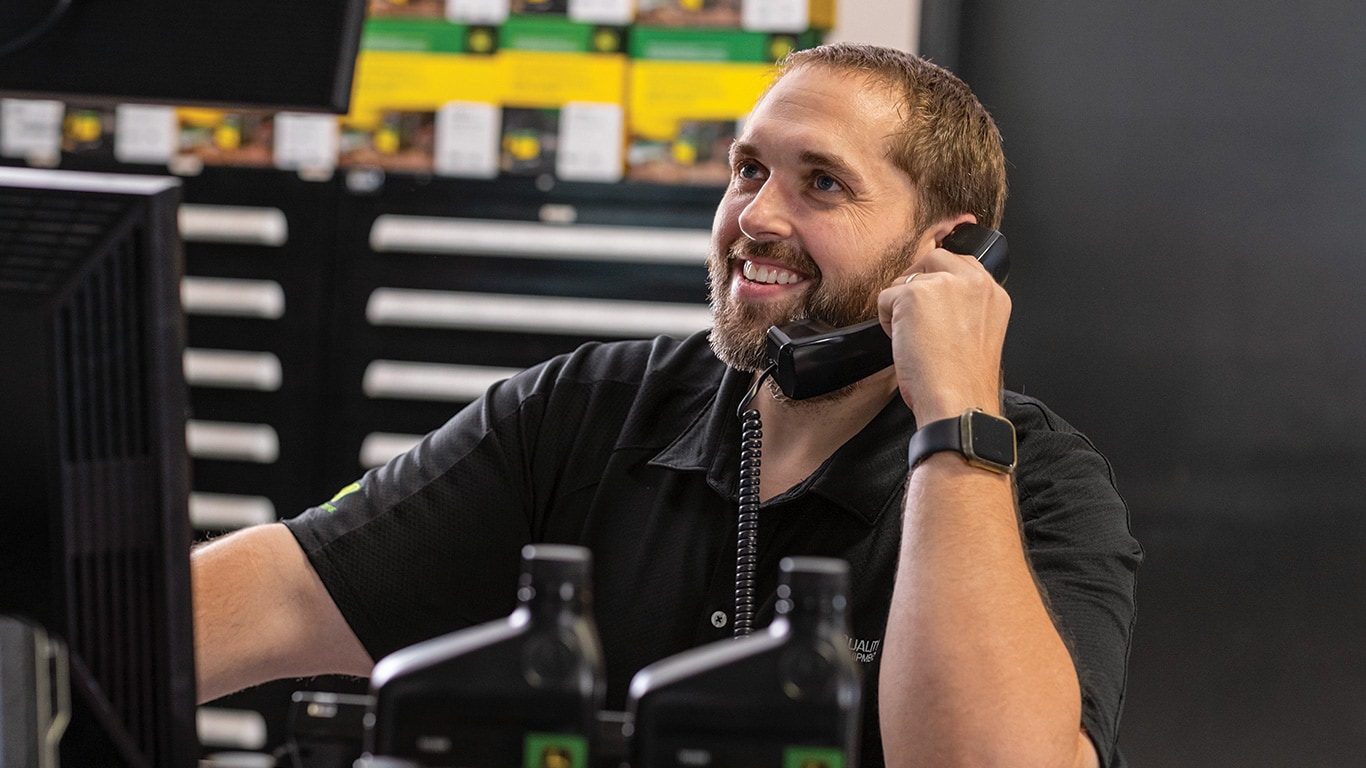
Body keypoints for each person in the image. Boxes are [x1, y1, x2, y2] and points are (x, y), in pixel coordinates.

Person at [192, 43, 1142, 768]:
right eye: (747, 170)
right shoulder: (588, 411)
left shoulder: (1039, 483)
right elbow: (272, 594)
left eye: (822, 183)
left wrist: (957, 417)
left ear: (953, 251)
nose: (757, 217)